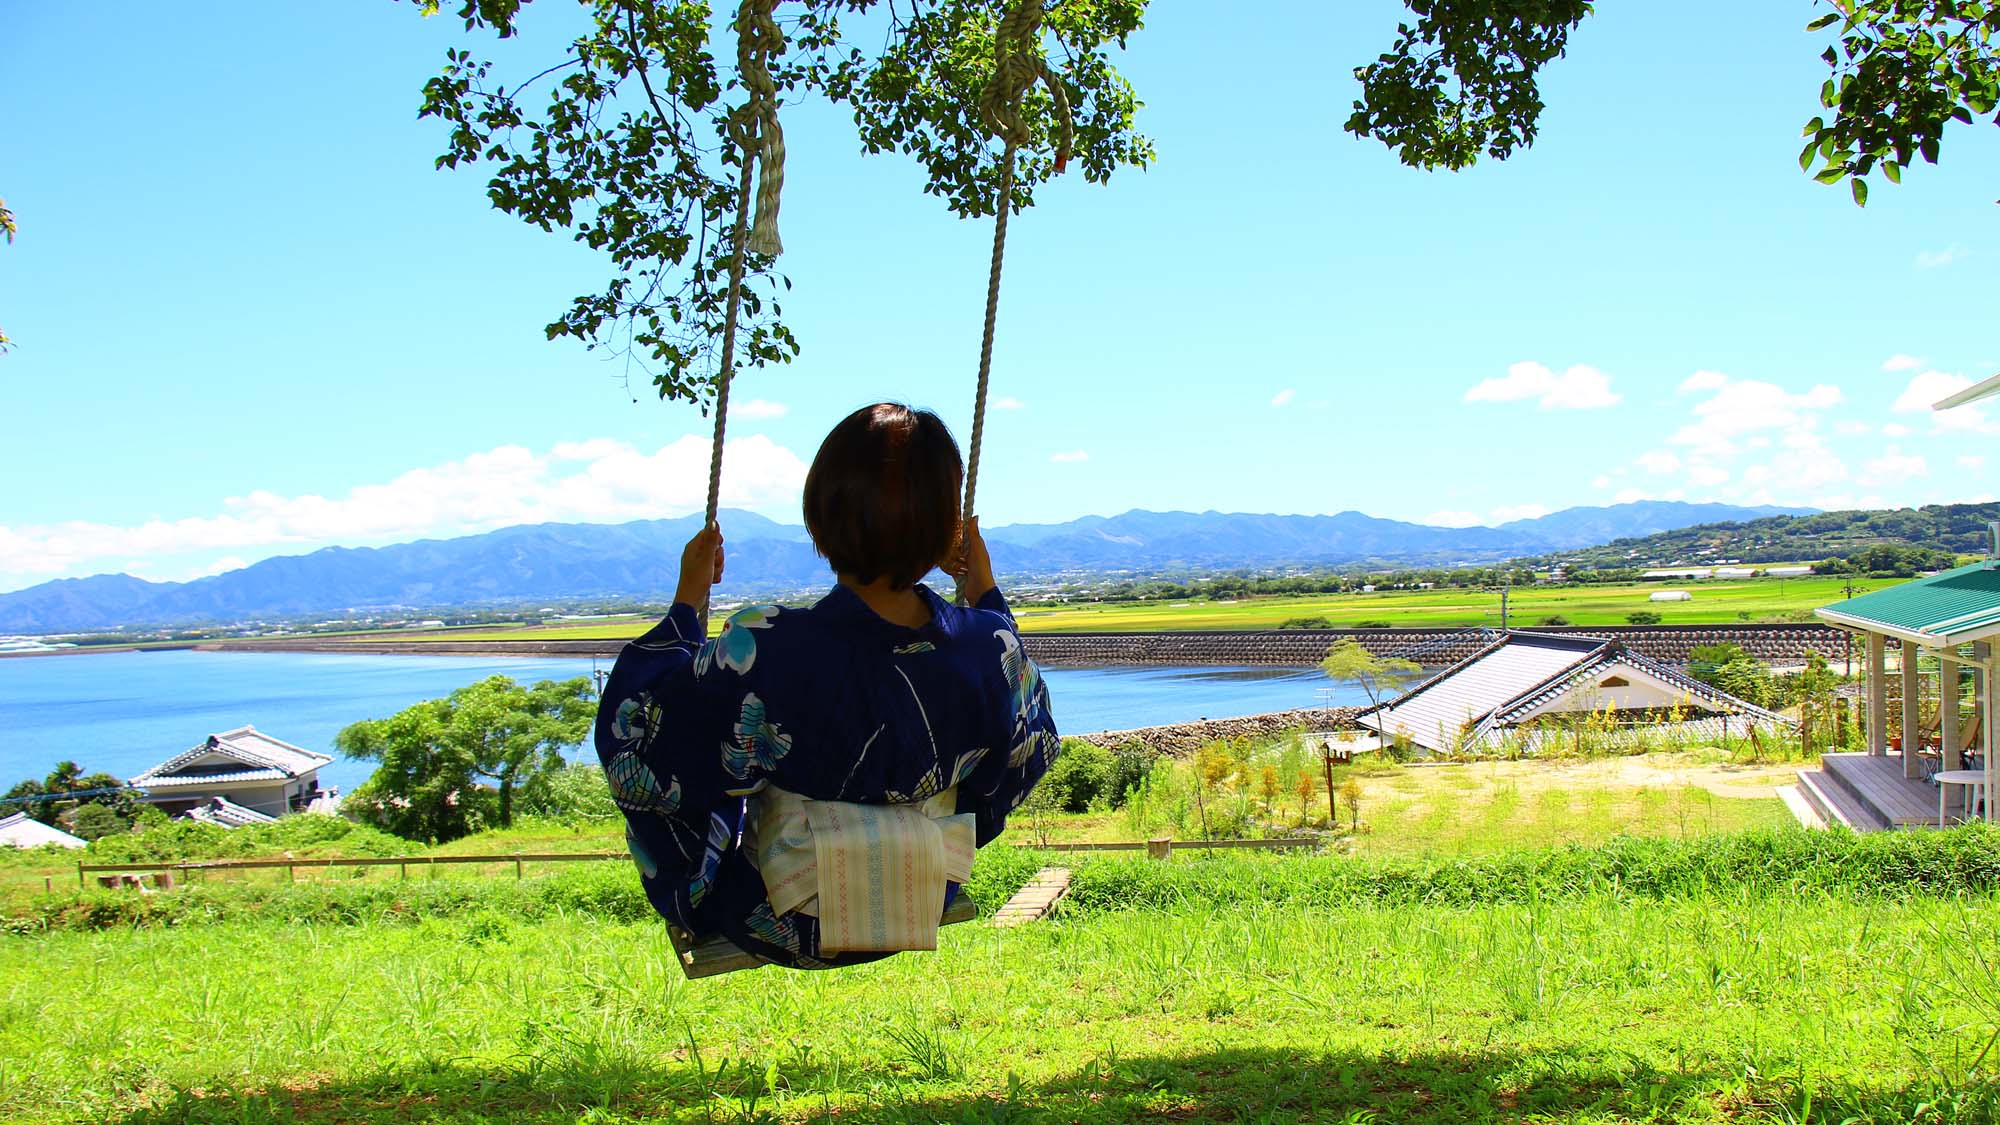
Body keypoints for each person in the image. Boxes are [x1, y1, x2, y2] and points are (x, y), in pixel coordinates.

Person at [594, 403, 1060, 969]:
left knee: (670, 763)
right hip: (922, 892)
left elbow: (636, 735)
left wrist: (687, 605)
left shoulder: (765, 647)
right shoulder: (988, 645)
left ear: (818, 520)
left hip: (783, 916)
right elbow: (1026, 753)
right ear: (946, 532)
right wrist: (981, 585)